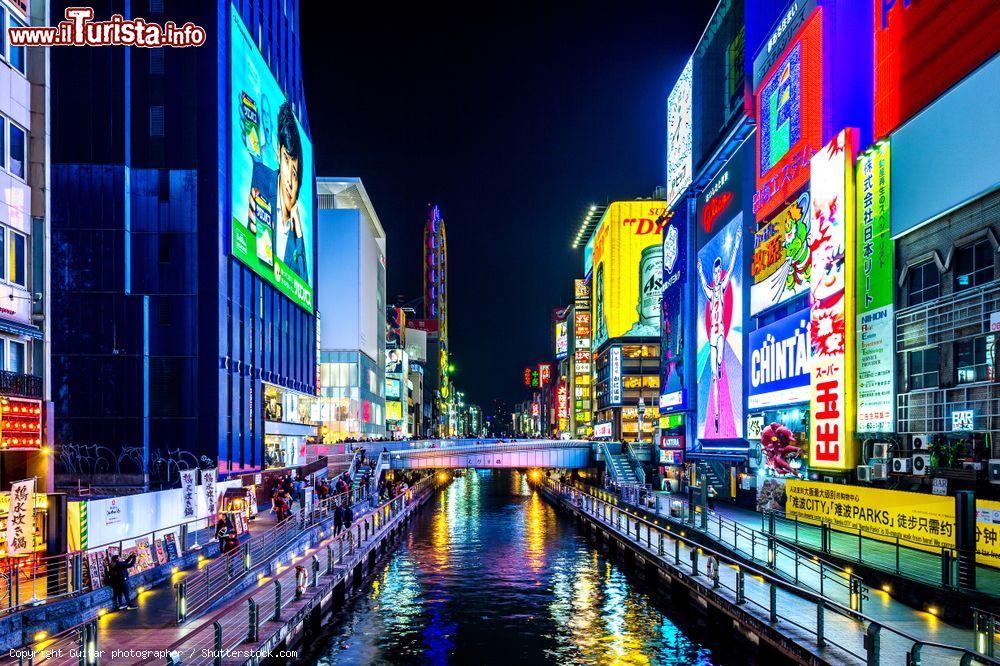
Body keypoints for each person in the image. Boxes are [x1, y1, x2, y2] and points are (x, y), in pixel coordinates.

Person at [696, 225, 743, 435]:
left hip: (720, 331)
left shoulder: (722, 287)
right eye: (714, 271)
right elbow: (703, 282)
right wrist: (698, 270)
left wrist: (737, 242)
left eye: (717, 271)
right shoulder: (710, 290)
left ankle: (719, 369)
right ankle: (715, 413)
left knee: (719, 367)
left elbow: (732, 266)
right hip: (713, 335)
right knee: (714, 375)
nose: (716, 274)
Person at [273, 102, 308, 282]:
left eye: (295, 174)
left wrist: (300, 235)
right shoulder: (261, 181)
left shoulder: (297, 236)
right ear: (278, 151)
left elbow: (304, 285)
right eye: (286, 160)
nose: (289, 181)